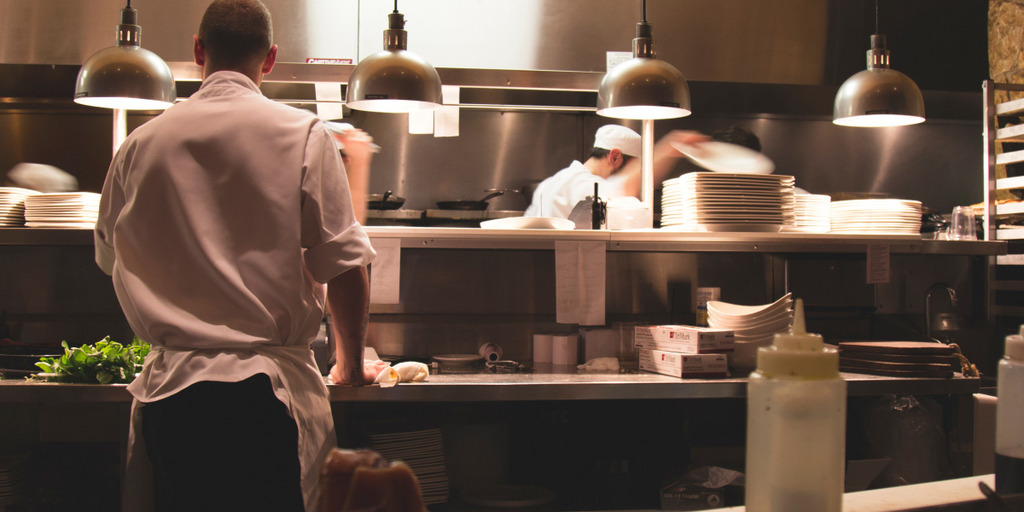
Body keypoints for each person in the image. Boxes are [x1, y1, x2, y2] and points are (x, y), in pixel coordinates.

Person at [92, 1, 377, 510]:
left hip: (172, 400)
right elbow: (346, 264)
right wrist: (351, 367)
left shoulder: (138, 145)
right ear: (269, 59)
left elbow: (113, 260)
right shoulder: (305, 135)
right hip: (268, 401)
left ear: (198, 50)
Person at [525, 124, 707, 219]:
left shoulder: (549, 183)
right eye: (632, 168)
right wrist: (672, 146)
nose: (632, 174)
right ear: (614, 156)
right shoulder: (583, 184)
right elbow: (624, 187)